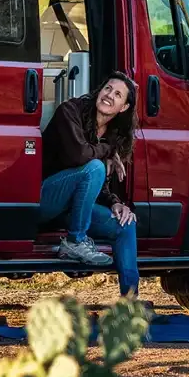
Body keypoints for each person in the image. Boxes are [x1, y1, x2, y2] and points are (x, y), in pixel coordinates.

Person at [38, 73, 141, 297]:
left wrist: (115, 203)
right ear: (99, 91)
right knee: (95, 167)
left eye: (117, 94)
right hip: (44, 198)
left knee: (125, 224)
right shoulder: (70, 111)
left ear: (123, 107)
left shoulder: (112, 135)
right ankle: (76, 240)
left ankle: (131, 301)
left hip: (73, 209)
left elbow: (96, 184)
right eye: (107, 89)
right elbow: (79, 155)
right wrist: (108, 152)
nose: (109, 96)